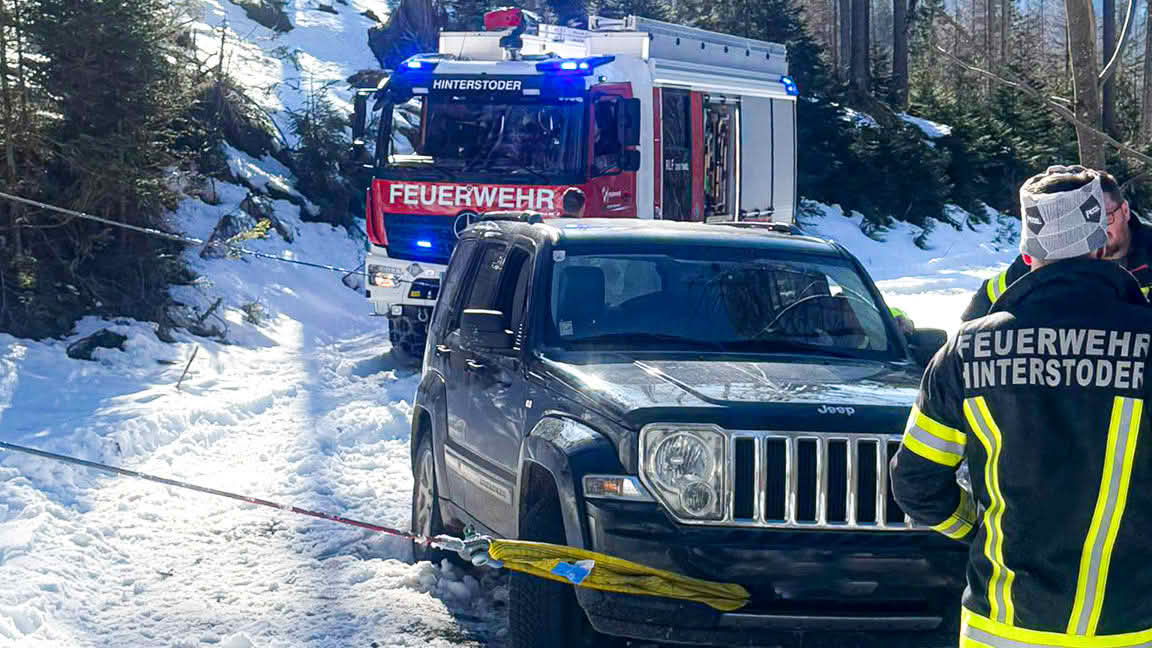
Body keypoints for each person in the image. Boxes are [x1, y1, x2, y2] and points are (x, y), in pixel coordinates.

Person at [890, 165, 1152, 648]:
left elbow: (915, 484)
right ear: (1101, 244)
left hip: (1002, 626)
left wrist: (978, 528)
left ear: (1027, 254)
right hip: (1129, 624)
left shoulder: (967, 350)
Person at [961, 166, 1152, 321]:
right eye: (1086, 221)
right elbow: (983, 303)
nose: (1097, 229)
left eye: (1105, 218)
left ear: (1125, 210)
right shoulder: (1042, 257)